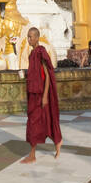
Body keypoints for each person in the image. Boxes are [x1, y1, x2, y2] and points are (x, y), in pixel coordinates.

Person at [21, 26, 61, 163]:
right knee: (39, 122)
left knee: (35, 123)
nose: (29, 39)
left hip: (40, 95)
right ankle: (57, 142)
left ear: (37, 38)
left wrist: (45, 96)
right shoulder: (32, 54)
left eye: (31, 36)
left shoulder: (41, 52)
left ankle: (32, 155)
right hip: (33, 94)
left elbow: (48, 75)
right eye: (28, 36)